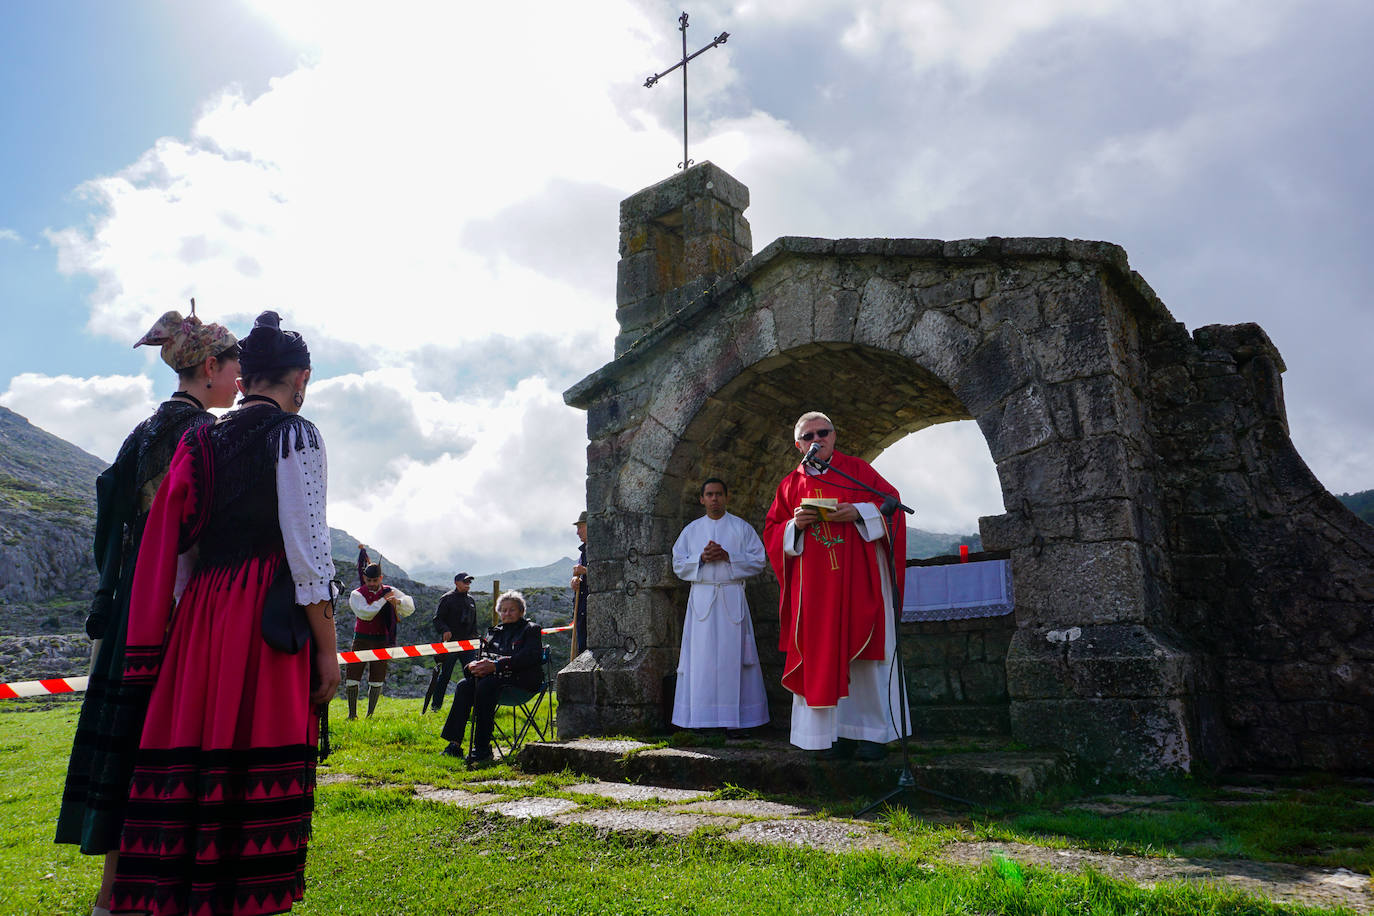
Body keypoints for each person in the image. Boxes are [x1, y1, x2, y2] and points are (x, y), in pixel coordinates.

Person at [109, 310, 339, 916]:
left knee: (199, 746)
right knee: (256, 754)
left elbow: (179, 552)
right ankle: (244, 896)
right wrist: (327, 650)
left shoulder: (198, 438)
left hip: (204, 614)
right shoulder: (297, 434)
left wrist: (181, 625)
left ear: (244, 379)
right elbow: (308, 549)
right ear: (301, 379)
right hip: (262, 611)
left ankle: (187, 890)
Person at [55, 304, 240, 916]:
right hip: (163, 608)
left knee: (129, 748)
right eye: (235, 363)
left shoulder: (146, 429)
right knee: (149, 749)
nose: (240, 377)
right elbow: (178, 535)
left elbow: (112, 508)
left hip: (131, 595)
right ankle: (125, 897)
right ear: (209, 366)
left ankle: (112, 898)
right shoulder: (194, 435)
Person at [763, 411, 909, 761]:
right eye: (809, 435)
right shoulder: (789, 485)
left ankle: (873, 735)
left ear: (834, 436)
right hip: (814, 592)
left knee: (867, 655)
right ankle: (827, 736)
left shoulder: (858, 471)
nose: (817, 439)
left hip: (860, 582)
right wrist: (794, 525)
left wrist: (859, 512)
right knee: (821, 654)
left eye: (823, 432)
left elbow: (893, 505)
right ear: (798, 445)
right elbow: (772, 532)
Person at [671, 477, 770, 732]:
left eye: (718, 494)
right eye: (709, 494)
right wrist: (701, 559)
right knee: (701, 660)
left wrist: (729, 557)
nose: (714, 499)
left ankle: (739, 721)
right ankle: (701, 719)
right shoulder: (692, 531)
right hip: (702, 600)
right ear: (702, 499)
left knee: (734, 658)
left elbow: (759, 560)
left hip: (731, 596)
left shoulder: (741, 528)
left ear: (726, 497)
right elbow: (678, 564)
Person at [439, 590, 544, 766]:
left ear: (521, 612)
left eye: (512, 610)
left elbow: (530, 657)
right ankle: (454, 744)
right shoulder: (494, 632)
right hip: (494, 680)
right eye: (503, 610)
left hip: (522, 681)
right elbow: (483, 657)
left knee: (485, 686)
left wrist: (497, 665)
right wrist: (472, 667)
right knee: (464, 685)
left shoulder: (531, 630)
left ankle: (482, 748)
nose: (507, 613)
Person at [346, 555, 415, 718]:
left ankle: (370, 714)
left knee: (377, 677)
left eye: (375, 580)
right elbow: (365, 613)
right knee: (352, 676)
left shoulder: (389, 590)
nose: (371, 584)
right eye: (369, 580)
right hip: (361, 639)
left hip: (381, 640)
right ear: (364, 578)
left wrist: (398, 602)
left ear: (381, 578)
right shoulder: (356, 594)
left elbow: (410, 605)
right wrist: (384, 600)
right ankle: (352, 714)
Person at [423, 572, 478, 713]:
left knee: (472, 675)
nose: (468, 584)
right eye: (465, 581)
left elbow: (474, 623)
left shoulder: (471, 600)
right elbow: (437, 619)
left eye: (469, 582)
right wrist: (445, 630)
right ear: (456, 582)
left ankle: (472, 706)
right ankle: (436, 707)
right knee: (445, 676)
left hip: (468, 645)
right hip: (451, 644)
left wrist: (475, 637)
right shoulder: (447, 599)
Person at [569, 511, 589, 656]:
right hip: (582, 610)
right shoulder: (584, 552)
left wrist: (586, 571)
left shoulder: (599, 549)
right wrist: (575, 581)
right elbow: (580, 574)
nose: (577, 532)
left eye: (581, 527)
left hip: (591, 611)